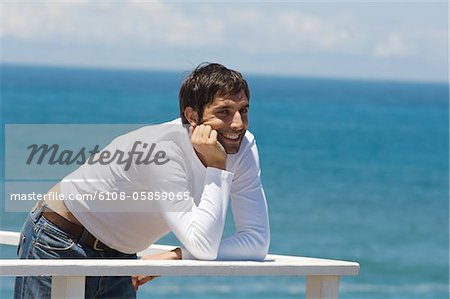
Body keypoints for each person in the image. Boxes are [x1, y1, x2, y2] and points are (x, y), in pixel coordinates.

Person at [14, 63, 270, 299]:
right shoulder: (164, 150)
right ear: (193, 116)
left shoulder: (244, 147)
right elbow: (204, 247)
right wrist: (217, 167)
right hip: (60, 239)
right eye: (224, 112)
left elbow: (256, 241)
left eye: (243, 110)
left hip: (122, 256)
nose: (237, 124)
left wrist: (177, 255)